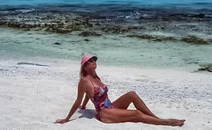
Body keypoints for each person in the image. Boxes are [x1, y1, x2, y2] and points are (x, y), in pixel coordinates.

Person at [55, 54, 185, 126]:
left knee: (132, 94)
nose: (94, 61)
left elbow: (87, 96)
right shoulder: (84, 81)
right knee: (136, 114)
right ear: (85, 66)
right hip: (104, 113)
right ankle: (166, 122)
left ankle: (156, 118)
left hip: (110, 106)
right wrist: (67, 118)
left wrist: (84, 106)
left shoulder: (96, 77)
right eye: (90, 60)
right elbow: (78, 100)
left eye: (94, 59)